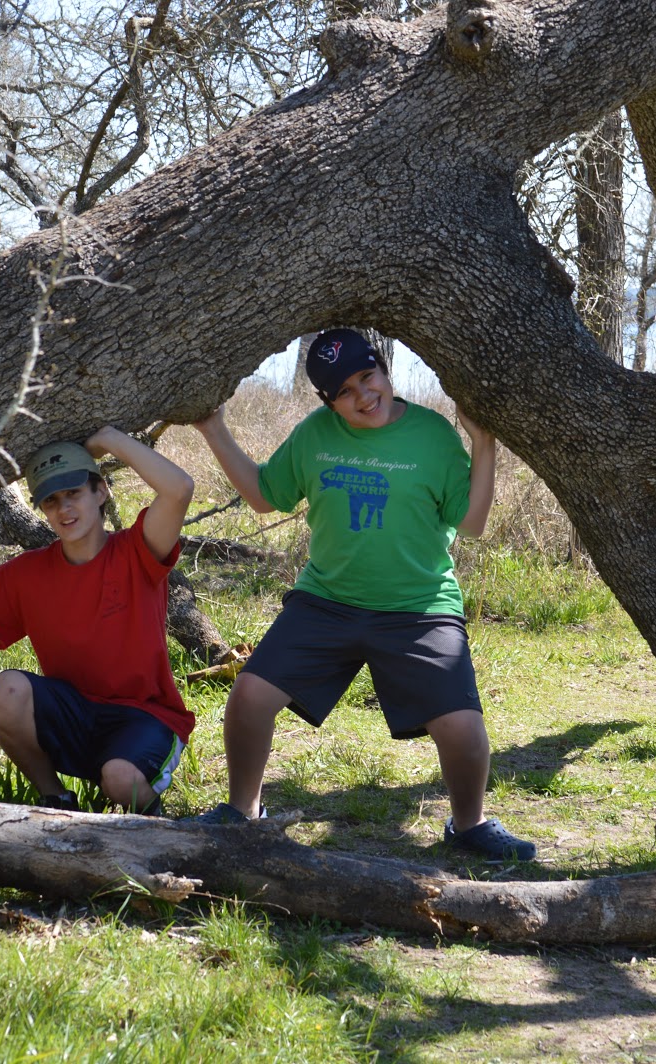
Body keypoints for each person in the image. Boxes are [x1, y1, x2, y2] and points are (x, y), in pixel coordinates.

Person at [189, 328, 535, 861]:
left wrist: (482, 443)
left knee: (464, 730)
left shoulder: (432, 434)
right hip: (326, 601)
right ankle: (242, 813)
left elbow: (473, 521)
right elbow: (263, 495)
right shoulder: (315, 435)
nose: (362, 395)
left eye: (367, 377)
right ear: (328, 402)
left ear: (384, 369)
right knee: (249, 698)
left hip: (419, 608)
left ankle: (468, 825)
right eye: (343, 391)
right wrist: (214, 428)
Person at [0, 428, 195, 814]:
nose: (64, 509)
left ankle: (162, 827)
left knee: (120, 779)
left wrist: (107, 439)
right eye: (51, 501)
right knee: (7, 689)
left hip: (145, 717)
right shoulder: (29, 573)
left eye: (74, 493)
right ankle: (56, 798)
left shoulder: (137, 550)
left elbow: (180, 488)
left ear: (100, 492)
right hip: (74, 717)